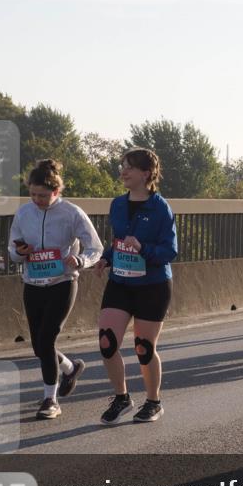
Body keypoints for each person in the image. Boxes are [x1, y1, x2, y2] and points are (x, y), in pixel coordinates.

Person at [9, 159, 103, 420]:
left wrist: (81, 260)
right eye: (33, 194)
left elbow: (96, 247)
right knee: (39, 347)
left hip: (62, 283)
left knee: (47, 339)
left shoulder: (72, 213)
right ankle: (70, 368)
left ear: (56, 192)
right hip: (33, 283)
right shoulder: (23, 214)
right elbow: (12, 251)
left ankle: (50, 399)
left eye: (43, 195)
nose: (37, 200)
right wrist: (19, 252)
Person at [94, 148, 178, 424]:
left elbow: (170, 251)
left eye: (129, 167)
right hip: (120, 280)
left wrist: (143, 248)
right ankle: (122, 398)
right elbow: (119, 239)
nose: (123, 171)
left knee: (143, 347)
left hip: (152, 284)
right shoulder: (117, 204)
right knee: (107, 341)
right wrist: (105, 258)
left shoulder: (160, 207)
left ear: (146, 173)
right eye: (122, 165)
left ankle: (154, 401)